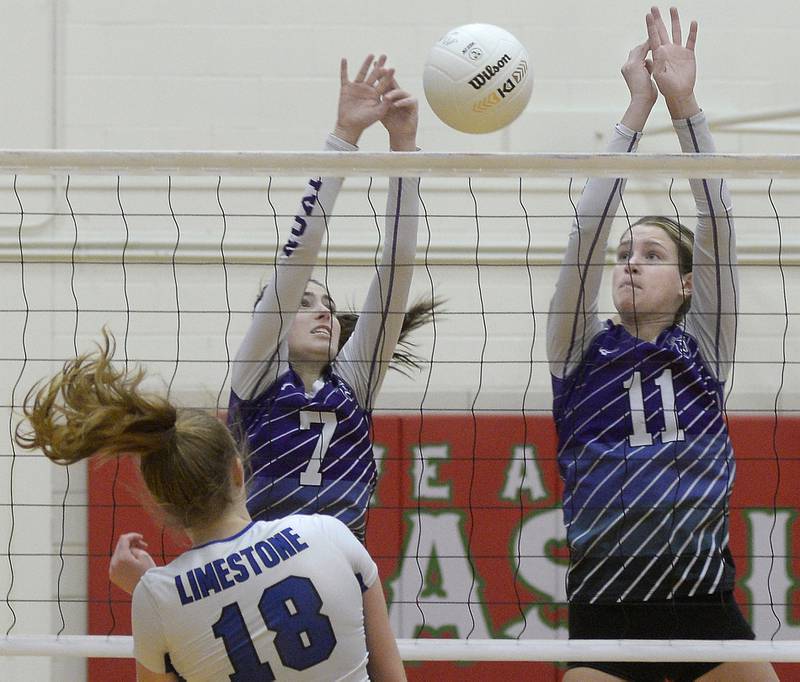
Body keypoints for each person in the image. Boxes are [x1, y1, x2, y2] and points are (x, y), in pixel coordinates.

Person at [548, 8, 778, 682]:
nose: (628, 262)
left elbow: (719, 223)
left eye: (649, 254)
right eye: (626, 252)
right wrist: (635, 109)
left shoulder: (702, 347)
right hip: (606, 614)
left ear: (684, 283)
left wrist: (685, 106)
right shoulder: (577, 354)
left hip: (703, 608)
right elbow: (583, 240)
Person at [15, 331, 407, 682]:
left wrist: (155, 594)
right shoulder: (328, 534)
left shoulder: (156, 597)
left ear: (161, 504)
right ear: (239, 471)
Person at [228, 53, 431, 542]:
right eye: (304, 303)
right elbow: (295, 262)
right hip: (264, 579)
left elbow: (396, 268)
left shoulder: (354, 386)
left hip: (342, 581)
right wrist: (344, 137)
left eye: (327, 304)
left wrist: (404, 152)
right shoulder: (257, 382)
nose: (322, 309)